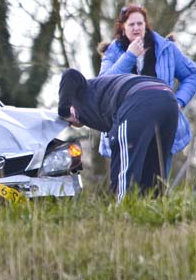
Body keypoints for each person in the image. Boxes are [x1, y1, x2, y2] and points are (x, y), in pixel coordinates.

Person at [98, 4, 196, 176]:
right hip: (126, 126)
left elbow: (192, 75)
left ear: (146, 25)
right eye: (131, 24)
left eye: (140, 23)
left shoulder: (166, 49)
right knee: (128, 183)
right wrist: (129, 56)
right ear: (123, 28)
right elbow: (103, 83)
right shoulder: (113, 52)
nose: (136, 28)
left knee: (157, 182)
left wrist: (178, 102)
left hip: (160, 125)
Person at [58, 69, 179, 200]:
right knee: (155, 166)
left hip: (138, 98)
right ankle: (154, 207)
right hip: (168, 98)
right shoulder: (100, 95)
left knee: (124, 163)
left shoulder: (81, 91)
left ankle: (121, 209)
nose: (74, 123)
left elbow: (70, 74)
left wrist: (64, 110)